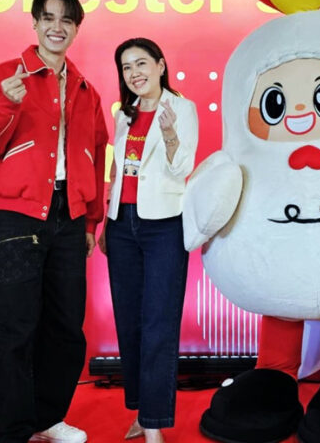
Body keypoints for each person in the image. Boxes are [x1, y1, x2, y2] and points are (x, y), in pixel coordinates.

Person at [0, 0, 108, 443]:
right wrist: (5, 102)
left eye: (67, 20)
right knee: (14, 325)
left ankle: (47, 418)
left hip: (69, 217)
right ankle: (11, 431)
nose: (57, 27)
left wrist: (90, 220)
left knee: (65, 327)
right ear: (35, 23)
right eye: (48, 18)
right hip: (19, 215)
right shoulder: (4, 77)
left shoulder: (86, 89)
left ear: (76, 29)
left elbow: (96, 154)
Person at [98, 38, 198, 443]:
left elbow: (181, 168)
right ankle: (141, 410)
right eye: (126, 67)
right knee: (129, 321)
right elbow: (118, 171)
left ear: (160, 65)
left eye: (141, 63)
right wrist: (107, 221)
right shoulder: (124, 114)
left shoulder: (182, 109)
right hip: (122, 224)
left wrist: (169, 131)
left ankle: (154, 421)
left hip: (164, 226)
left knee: (159, 321)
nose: (134, 73)